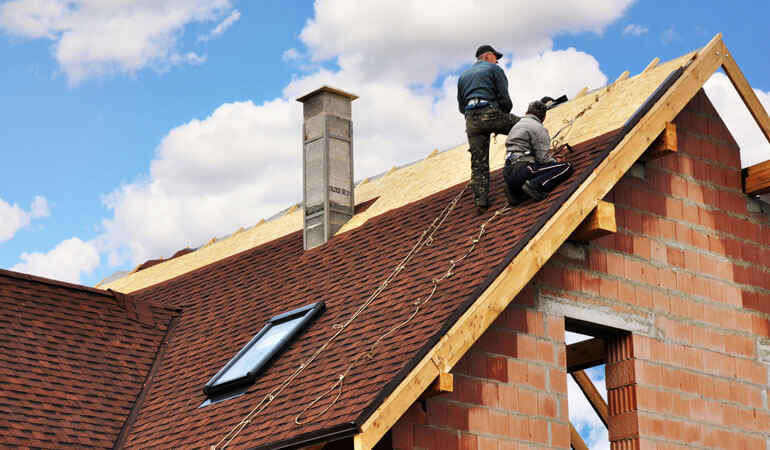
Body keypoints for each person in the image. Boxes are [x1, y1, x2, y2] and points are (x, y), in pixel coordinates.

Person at [457, 44, 520, 213]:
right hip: (490, 112)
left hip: (471, 120)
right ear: (487, 56)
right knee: (524, 125)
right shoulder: (493, 69)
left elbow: (461, 107)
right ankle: (532, 164)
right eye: (495, 57)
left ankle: (480, 202)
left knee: (478, 163)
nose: (497, 61)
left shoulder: (463, 76)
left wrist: (476, 117)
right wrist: (501, 117)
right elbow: (504, 98)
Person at [502, 100, 573, 205]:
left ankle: (515, 192)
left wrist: (551, 159)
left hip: (508, 174)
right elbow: (543, 159)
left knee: (533, 173)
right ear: (543, 118)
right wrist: (555, 160)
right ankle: (535, 185)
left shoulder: (516, 126)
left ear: (526, 113)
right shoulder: (538, 128)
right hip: (524, 169)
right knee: (566, 166)